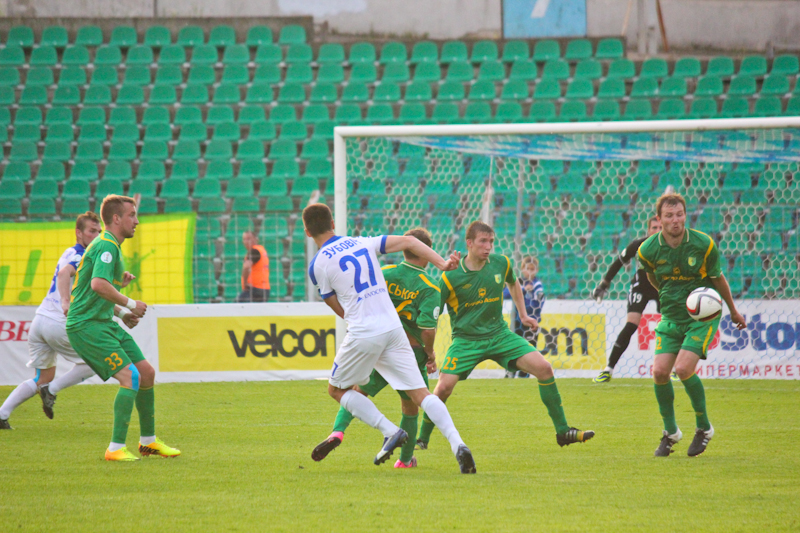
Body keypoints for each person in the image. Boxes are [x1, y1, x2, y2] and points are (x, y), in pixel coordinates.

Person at [303, 203, 476, 473]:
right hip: (394, 330)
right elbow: (409, 241)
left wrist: (353, 318)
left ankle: (389, 431)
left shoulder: (318, 265)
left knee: (337, 389)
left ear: (307, 232)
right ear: (333, 223)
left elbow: (332, 301)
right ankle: (458, 444)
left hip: (364, 331)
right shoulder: (361, 242)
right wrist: (442, 264)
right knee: (421, 394)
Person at [417, 221, 594, 450]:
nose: (488, 246)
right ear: (469, 243)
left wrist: (523, 314)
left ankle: (563, 431)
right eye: (483, 241)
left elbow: (513, 282)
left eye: (491, 241)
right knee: (442, 388)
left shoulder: (501, 263)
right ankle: (422, 439)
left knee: (544, 368)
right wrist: (428, 351)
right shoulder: (450, 276)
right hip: (466, 341)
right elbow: (433, 313)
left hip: (499, 335)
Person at [312, 227, 440, 469]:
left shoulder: (384, 273)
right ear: (426, 252)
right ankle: (405, 460)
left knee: (356, 392)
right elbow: (427, 329)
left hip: (376, 343)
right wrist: (430, 353)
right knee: (411, 406)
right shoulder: (429, 285)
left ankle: (337, 431)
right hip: (407, 349)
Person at [66, 195, 180, 461]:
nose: (137, 221)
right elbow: (97, 285)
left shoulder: (109, 245)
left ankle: (148, 442)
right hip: (86, 326)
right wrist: (130, 303)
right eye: (132, 215)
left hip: (103, 321)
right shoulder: (107, 245)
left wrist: (122, 313)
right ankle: (115, 448)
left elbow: (92, 292)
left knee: (146, 373)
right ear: (116, 218)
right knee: (130, 377)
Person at [637, 193, 746, 457]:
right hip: (671, 316)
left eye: (679, 215)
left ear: (685, 215)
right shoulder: (647, 250)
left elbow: (718, 279)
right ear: (659, 219)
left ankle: (704, 428)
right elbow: (653, 279)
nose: (675, 220)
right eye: (669, 216)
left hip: (702, 317)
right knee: (659, 372)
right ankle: (671, 432)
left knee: (683, 368)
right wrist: (670, 297)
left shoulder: (703, 245)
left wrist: (733, 311)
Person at [0, 212, 106, 429]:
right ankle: (52, 390)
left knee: (42, 377)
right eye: (91, 231)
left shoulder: (69, 251)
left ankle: (2, 414)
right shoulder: (82, 255)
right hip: (58, 322)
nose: (96, 236)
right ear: (78, 233)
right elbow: (65, 274)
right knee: (98, 360)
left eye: (99, 231)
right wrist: (66, 302)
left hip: (40, 321)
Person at [591, 216, 665, 383]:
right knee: (631, 324)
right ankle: (608, 369)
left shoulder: (672, 247)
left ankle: (673, 369)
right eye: (654, 227)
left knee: (669, 326)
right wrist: (604, 284)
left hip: (662, 287)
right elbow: (619, 262)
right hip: (641, 287)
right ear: (648, 230)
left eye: (661, 227)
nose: (657, 231)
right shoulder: (639, 245)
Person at [503, 255, 545, 378]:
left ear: (537, 270)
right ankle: (510, 373)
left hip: (531, 324)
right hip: (517, 323)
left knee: (529, 352)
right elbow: (505, 294)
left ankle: (524, 376)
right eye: (528, 269)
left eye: (533, 269)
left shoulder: (537, 285)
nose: (530, 272)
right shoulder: (518, 282)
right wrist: (523, 290)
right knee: (513, 349)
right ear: (522, 269)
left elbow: (538, 304)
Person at [236, 231, 270, 303]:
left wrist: (245, 283)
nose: (246, 241)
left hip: (255, 289)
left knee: (236, 307)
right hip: (264, 288)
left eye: (248, 239)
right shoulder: (262, 250)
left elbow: (246, 267)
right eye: (244, 239)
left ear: (256, 239)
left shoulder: (254, 251)